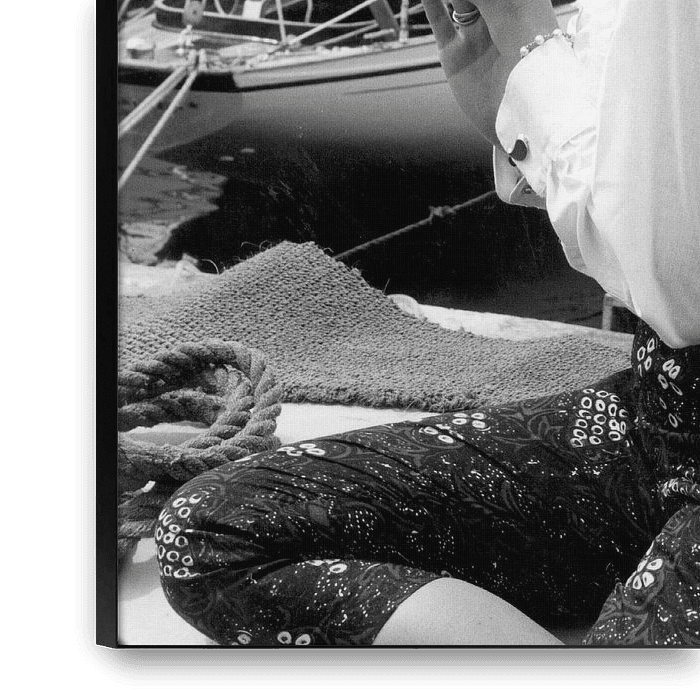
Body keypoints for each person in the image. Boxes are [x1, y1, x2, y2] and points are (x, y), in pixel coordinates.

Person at [155, 0, 700, 645]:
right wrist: (513, 106)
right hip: (657, 419)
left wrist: (534, 56)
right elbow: (652, 218)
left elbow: (674, 287)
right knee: (212, 532)